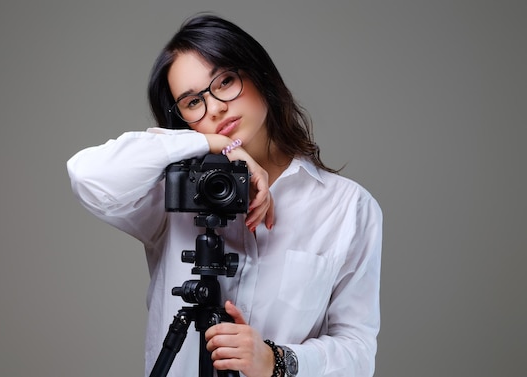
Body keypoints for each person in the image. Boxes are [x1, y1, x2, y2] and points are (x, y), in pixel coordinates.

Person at [67, 14, 382, 377]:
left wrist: (276, 360)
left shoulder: (347, 208)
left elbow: (357, 352)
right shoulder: (173, 194)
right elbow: (86, 173)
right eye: (192, 102)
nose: (215, 107)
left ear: (258, 73)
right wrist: (214, 143)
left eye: (226, 81)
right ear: (183, 119)